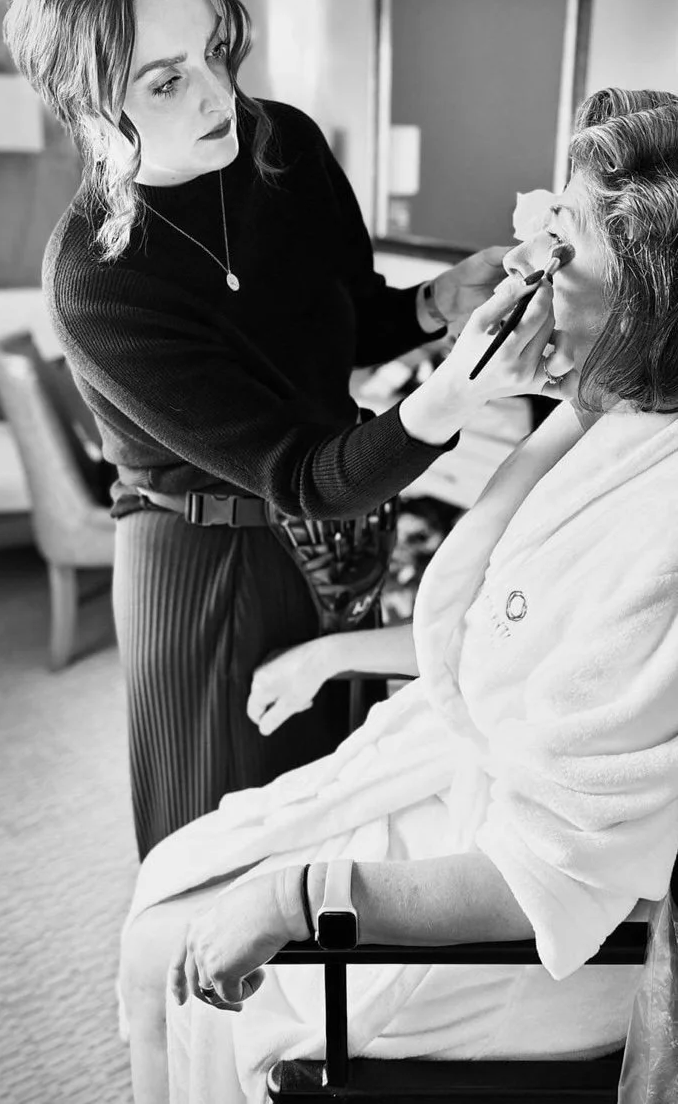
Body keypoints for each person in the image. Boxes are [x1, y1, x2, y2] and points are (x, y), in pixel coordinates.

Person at [119, 88, 678, 1104]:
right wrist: (338, 653)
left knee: (172, 955)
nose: (522, 276)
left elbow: (553, 868)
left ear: (646, 303)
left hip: (528, 925)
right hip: (459, 777)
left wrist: (297, 896)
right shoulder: (608, 419)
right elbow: (517, 629)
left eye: (558, 256)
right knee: (171, 876)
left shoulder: (661, 526)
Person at [1, 0, 563, 860]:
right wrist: (458, 395)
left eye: (218, 49)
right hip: (207, 558)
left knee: (340, 795)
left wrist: (436, 301)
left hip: (345, 518)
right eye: (167, 79)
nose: (220, 92)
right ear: (88, 103)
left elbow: (345, 321)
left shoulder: (284, 148)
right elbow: (298, 471)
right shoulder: (95, 280)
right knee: (224, 831)